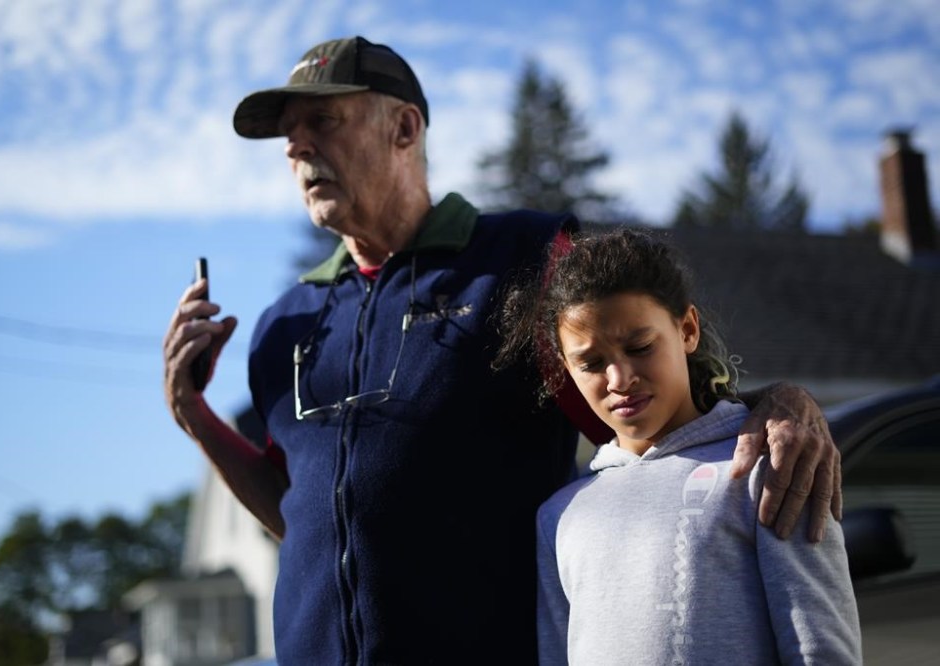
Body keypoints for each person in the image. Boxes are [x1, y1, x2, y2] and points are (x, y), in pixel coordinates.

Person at [162, 36, 842, 665]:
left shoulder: (520, 259)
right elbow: (294, 513)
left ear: (404, 129)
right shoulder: (287, 323)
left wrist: (776, 402)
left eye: (323, 123)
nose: (296, 147)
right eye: (288, 134)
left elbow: (646, 405)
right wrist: (194, 416)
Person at [494, 229, 861, 664]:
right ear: (565, 368)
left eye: (640, 347)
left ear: (686, 330)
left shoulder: (768, 463)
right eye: (591, 363)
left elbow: (822, 651)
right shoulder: (559, 516)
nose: (619, 379)